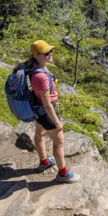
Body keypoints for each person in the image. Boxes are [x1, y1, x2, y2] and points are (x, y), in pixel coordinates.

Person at [28, 39, 80, 183]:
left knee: (39, 134)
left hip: (38, 110)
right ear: (37, 55)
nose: (50, 54)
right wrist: (57, 122)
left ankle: (44, 161)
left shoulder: (35, 67)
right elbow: (47, 105)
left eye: (50, 51)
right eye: (46, 53)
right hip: (46, 112)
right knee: (59, 142)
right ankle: (63, 174)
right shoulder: (41, 77)